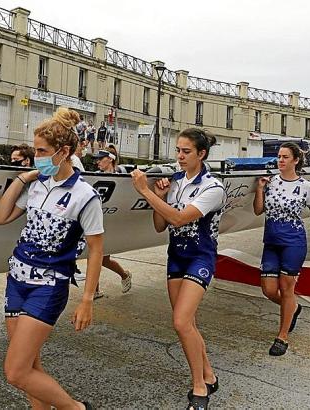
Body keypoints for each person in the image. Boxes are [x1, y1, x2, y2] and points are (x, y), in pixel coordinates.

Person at [0, 108, 103, 409]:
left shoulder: (85, 196)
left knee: (15, 372)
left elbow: (95, 249)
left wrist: (87, 300)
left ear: (64, 152)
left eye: (42, 151)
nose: (37, 156)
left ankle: (76, 408)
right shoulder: (38, 185)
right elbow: (0, 217)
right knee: (29, 366)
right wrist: (24, 176)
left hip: (48, 287)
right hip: (16, 281)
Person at [131, 128, 224, 410]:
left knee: (181, 322)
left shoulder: (213, 187)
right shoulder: (175, 182)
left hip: (200, 257)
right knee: (188, 324)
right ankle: (209, 374)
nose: (180, 157)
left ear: (201, 154)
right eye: (178, 151)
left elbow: (181, 219)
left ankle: (199, 387)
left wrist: (145, 190)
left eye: (186, 152)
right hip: (176, 257)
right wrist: (160, 197)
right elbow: (161, 226)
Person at [253, 142, 310, 357]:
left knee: (286, 290)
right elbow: (258, 210)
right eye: (279, 156)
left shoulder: (305, 187)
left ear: (295, 160)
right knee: (268, 289)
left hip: (294, 243)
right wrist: (259, 189)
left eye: (285, 157)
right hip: (271, 243)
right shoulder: (270, 182)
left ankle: (282, 336)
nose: (280, 160)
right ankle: (292, 307)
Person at [92, 148, 133, 298]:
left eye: (100, 159)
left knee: (102, 260)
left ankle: (124, 275)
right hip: (95, 222)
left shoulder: (123, 177)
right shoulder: (94, 177)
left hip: (111, 223)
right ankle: (94, 290)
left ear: (110, 159)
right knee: (94, 257)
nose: (97, 162)